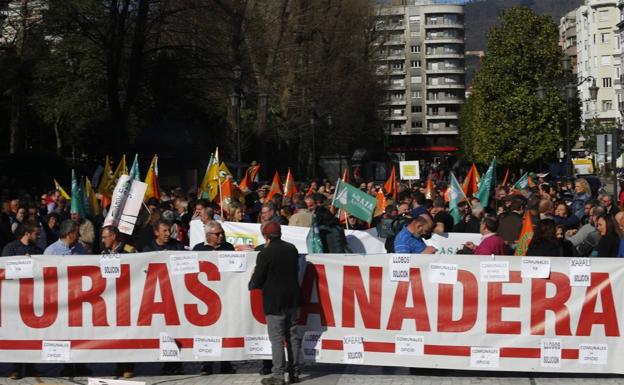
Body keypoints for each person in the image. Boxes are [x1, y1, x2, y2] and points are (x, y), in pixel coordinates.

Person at [248, 222, 303, 385]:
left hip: (275, 302)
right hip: (293, 299)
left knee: (277, 339)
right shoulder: (292, 249)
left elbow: (257, 280)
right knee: (292, 336)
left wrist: (252, 282)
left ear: (265, 236)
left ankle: (278, 375)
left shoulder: (265, 253)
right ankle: (294, 373)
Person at [100, 225, 136, 378]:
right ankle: (118, 365)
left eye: (105, 237)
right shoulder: (103, 253)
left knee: (128, 333)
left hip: (128, 296)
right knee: (115, 333)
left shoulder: (129, 250)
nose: (103, 240)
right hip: (112, 298)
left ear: (113, 236)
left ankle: (128, 366)